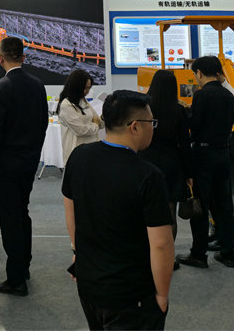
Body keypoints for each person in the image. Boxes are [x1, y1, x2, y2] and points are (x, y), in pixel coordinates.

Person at [63, 90, 174, 330]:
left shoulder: (79, 157)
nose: (153, 128)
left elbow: (70, 207)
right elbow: (161, 244)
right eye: (151, 122)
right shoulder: (148, 176)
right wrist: (162, 295)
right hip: (130, 294)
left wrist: (77, 250)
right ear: (135, 127)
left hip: (89, 284)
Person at [0, 36, 48, 296]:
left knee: (10, 220)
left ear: (0, 58)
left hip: (5, 166)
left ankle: (16, 279)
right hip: (28, 163)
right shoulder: (38, 85)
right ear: (23, 56)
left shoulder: (0, 87)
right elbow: (43, 125)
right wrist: (33, 155)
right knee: (22, 213)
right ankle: (24, 266)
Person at [177, 55, 234, 270]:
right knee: (224, 206)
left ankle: (198, 254)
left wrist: (184, 112)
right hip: (224, 154)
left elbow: (195, 125)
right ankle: (228, 254)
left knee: (201, 206)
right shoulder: (229, 96)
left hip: (203, 156)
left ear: (200, 73)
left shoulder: (202, 95)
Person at [140, 69, 193, 241]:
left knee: (144, 209)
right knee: (170, 211)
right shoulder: (179, 110)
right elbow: (185, 143)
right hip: (172, 163)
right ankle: (168, 254)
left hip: (146, 160)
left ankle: (147, 251)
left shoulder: (143, 108)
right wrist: (189, 173)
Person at [57, 69, 103, 166]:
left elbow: (98, 120)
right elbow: (81, 130)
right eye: (85, 88)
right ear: (76, 86)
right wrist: (95, 125)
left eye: (89, 88)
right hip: (76, 150)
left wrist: (104, 117)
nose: (87, 92)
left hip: (91, 147)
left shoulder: (82, 100)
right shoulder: (66, 105)